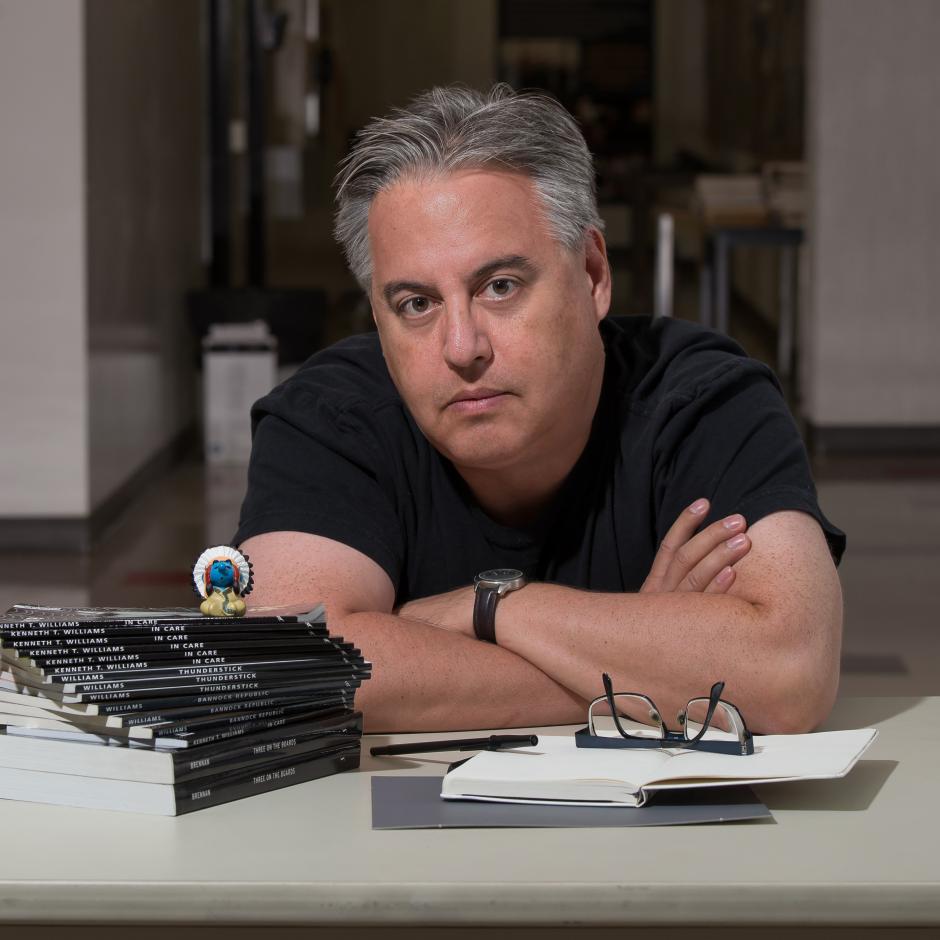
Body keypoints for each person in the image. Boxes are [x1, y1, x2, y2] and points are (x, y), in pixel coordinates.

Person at [235, 84, 844, 735]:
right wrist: (645, 665)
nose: (462, 348)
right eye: (417, 304)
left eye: (500, 287)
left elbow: (788, 675)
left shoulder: (703, 401)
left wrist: (492, 610)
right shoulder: (333, 416)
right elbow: (294, 669)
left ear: (592, 274)